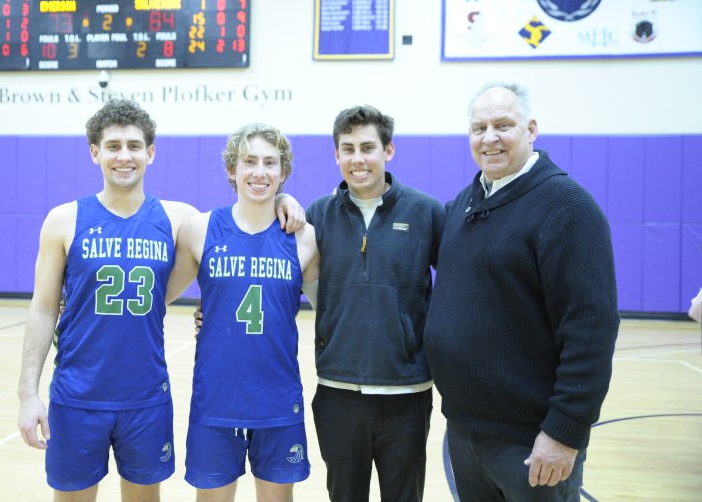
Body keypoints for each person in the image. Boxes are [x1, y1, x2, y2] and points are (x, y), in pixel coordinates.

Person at [16, 100, 304, 502]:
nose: (124, 156)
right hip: (77, 395)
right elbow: (43, 309)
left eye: (134, 146)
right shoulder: (63, 220)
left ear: (150, 153)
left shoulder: (177, 219)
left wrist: (281, 201)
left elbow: (243, 219)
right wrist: (28, 393)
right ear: (94, 152)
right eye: (113, 146)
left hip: (147, 396)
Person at [424, 81, 620, 501]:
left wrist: (564, 434)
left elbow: (591, 331)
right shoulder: (464, 204)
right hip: (463, 431)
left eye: (503, 125)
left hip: (532, 442)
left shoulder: (568, 208)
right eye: (479, 128)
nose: (489, 138)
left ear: (531, 129)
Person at [165, 123, 320, 502]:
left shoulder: (305, 238)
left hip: (278, 400)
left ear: (284, 174)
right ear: (231, 169)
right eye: (249, 161)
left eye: (271, 163)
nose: (260, 172)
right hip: (217, 399)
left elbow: (332, 313)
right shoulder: (200, 230)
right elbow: (158, 298)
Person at [305, 105, 446, 501]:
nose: (357, 159)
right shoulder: (317, 215)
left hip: (406, 392)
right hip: (336, 389)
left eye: (368, 147)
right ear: (336, 156)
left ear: (389, 151)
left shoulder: (426, 213)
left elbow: (457, 289)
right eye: (347, 149)